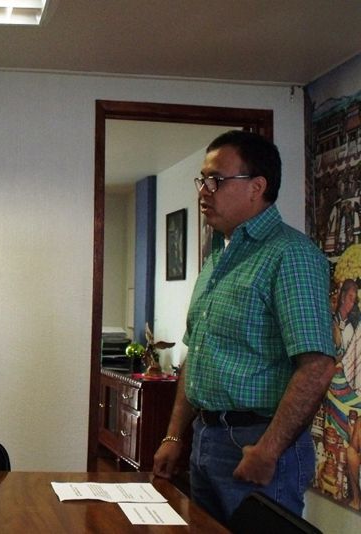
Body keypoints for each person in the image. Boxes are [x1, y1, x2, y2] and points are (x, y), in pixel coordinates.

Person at [152, 131, 336, 523]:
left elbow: (317, 365)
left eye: (216, 180)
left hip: (256, 444)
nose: (204, 191)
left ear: (257, 187)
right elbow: (198, 355)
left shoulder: (291, 255)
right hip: (206, 438)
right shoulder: (218, 258)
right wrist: (174, 436)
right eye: (203, 180)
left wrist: (268, 450)